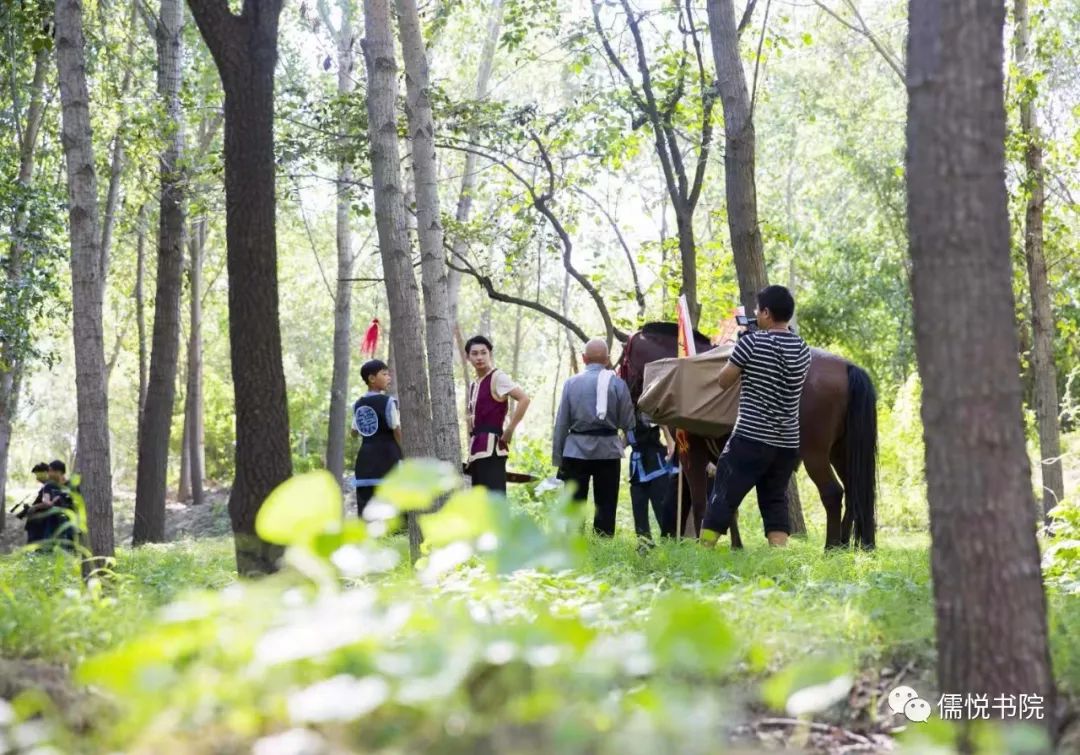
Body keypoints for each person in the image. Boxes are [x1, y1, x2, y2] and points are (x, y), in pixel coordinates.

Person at [701, 285, 811, 548]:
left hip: (749, 438)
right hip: (786, 443)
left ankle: (704, 550)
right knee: (775, 501)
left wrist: (740, 349)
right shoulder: (803, 349)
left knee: (723, 495)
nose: (755, 314)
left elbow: (724, 381)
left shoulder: (750, 343)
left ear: (766, 313)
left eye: (757, 310)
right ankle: (778, 559)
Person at [552, 338, 635, 536]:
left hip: (575, 452)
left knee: (574, 504)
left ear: (583, 358)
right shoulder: (618, 384)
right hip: (608, 452)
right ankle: (603, 547)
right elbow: (629, 423)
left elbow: (562, 423)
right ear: (607, 360)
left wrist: (558, 458)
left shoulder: (571, 384)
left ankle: (573, 546)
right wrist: (620, 443)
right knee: (606, 505)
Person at [464, 335, 531, 493]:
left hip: (493, 449)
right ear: (468, 357)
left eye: (483, 352)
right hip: (477, 451)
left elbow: (524, 399)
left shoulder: (498, 377)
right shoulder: (475, 384)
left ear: (490, 354)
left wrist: (510, 430)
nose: (479, 357)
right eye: (474, 354)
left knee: (495, 501)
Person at [350, 359, 403, 517]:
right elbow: (396, 429)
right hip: (388, 456)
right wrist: (403, 451)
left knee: (366, 504)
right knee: (393, 502)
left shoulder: (358, 405)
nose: (389, 377)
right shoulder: (388, 402)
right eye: (385, 374)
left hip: (365, 460)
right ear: (372, 379)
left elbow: (353, 433)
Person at [627, 411, 677, 543]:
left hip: (655, 462)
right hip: (637, 465)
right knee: (638, 506)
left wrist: (670, 441)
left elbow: (660, 418)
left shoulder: (646, 403)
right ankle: (644, 543)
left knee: (661, 507)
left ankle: (670, 543)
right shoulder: (626, 406)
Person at [16, 463, 52, 544]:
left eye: (38, 475)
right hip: (36, 524)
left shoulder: (50, 486)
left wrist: (35, 507)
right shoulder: (46, 486)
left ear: (46, 472)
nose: (37, 478)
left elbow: (48, 503)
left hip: (41, 524)